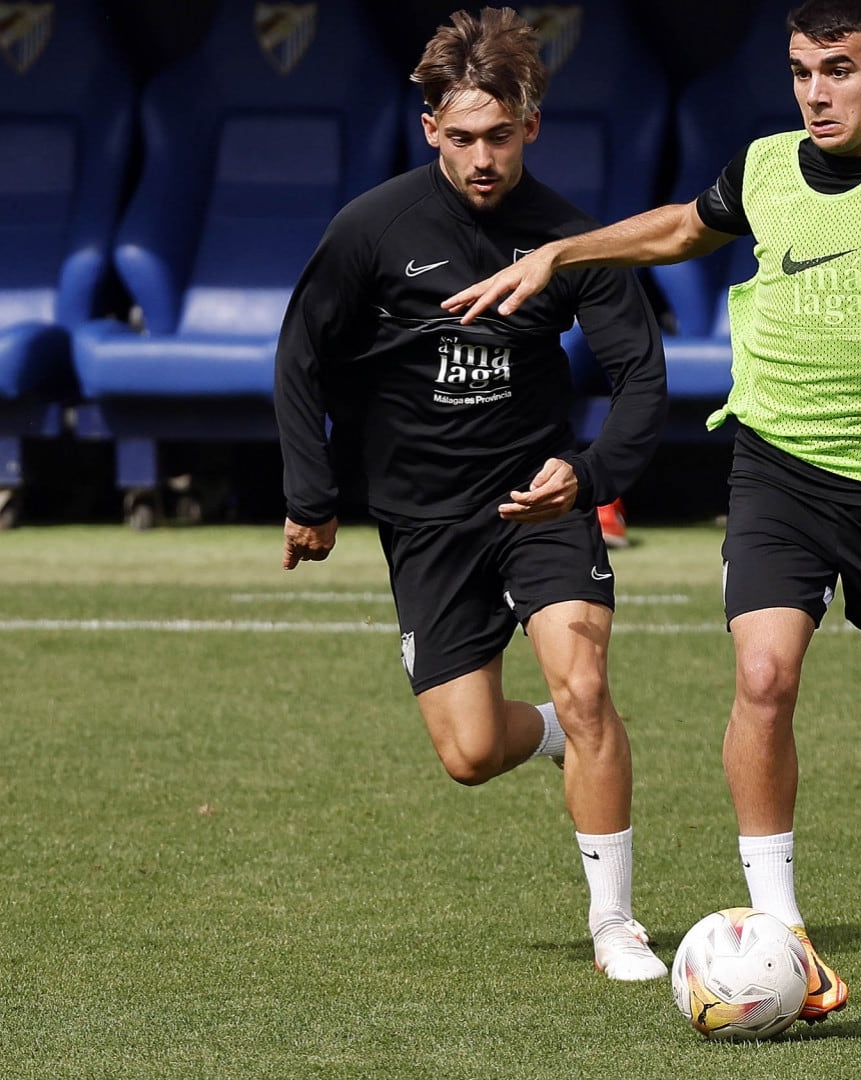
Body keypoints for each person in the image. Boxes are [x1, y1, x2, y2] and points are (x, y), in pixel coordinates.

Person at [445, 0, 861, 1019]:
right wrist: (561, 254)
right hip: (777, 466)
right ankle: (786, 937)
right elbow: (683, 226)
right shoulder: (765, 167)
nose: (816, 91)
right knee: (762, 676)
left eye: (839, 70)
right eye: (803, 70)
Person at [274, 8, 670, 981]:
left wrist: (588, 474)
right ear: (430, 133)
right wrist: (312, 493)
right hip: (424, 520)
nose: (483, 157)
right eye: (462, 138)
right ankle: (548, 740)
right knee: (469, 752)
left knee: (585, 686)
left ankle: (615, 923)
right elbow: (301, 356)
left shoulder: (572, 241)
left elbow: (642, 378)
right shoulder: (373, 229)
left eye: (500, 135)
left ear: (532, 126)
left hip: (539, 504)